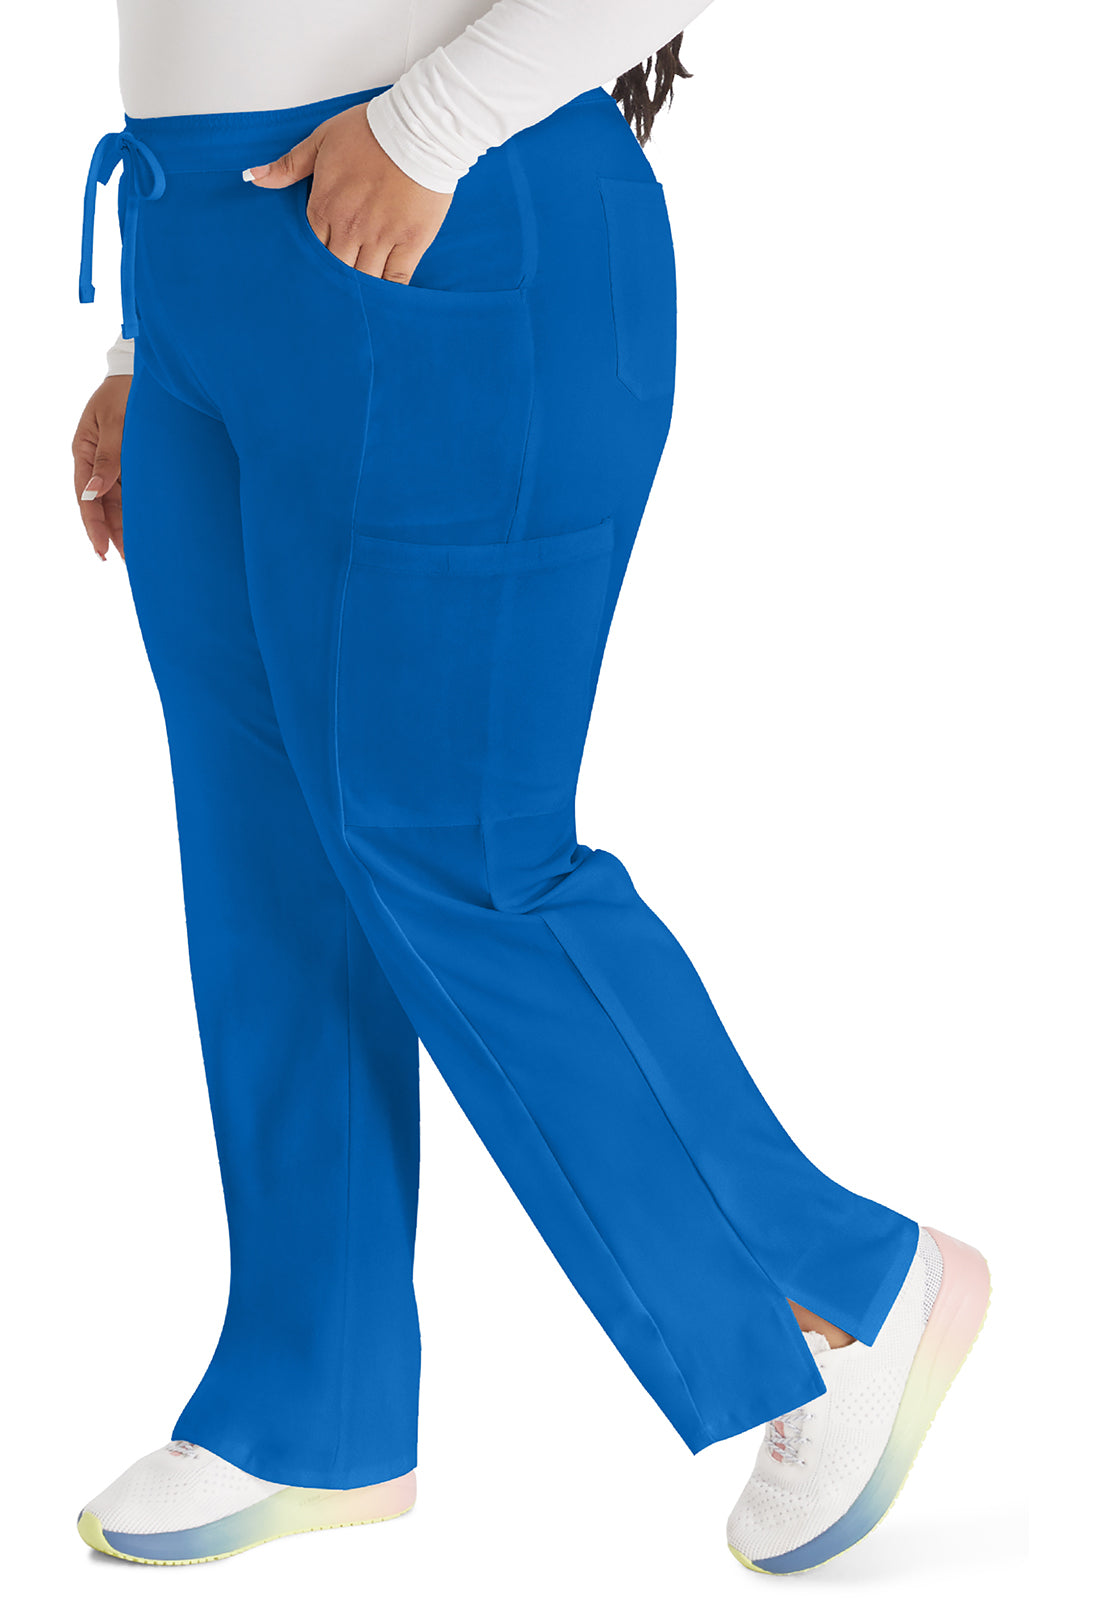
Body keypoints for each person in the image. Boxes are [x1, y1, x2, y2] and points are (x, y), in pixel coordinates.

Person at [70, 0, 991, 1575]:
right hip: (205, 255)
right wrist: (148, 336)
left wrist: (427, 132)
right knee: (269, 864)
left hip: (442, 222)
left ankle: (845, 1285)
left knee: (454, 850)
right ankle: (311, 1406)